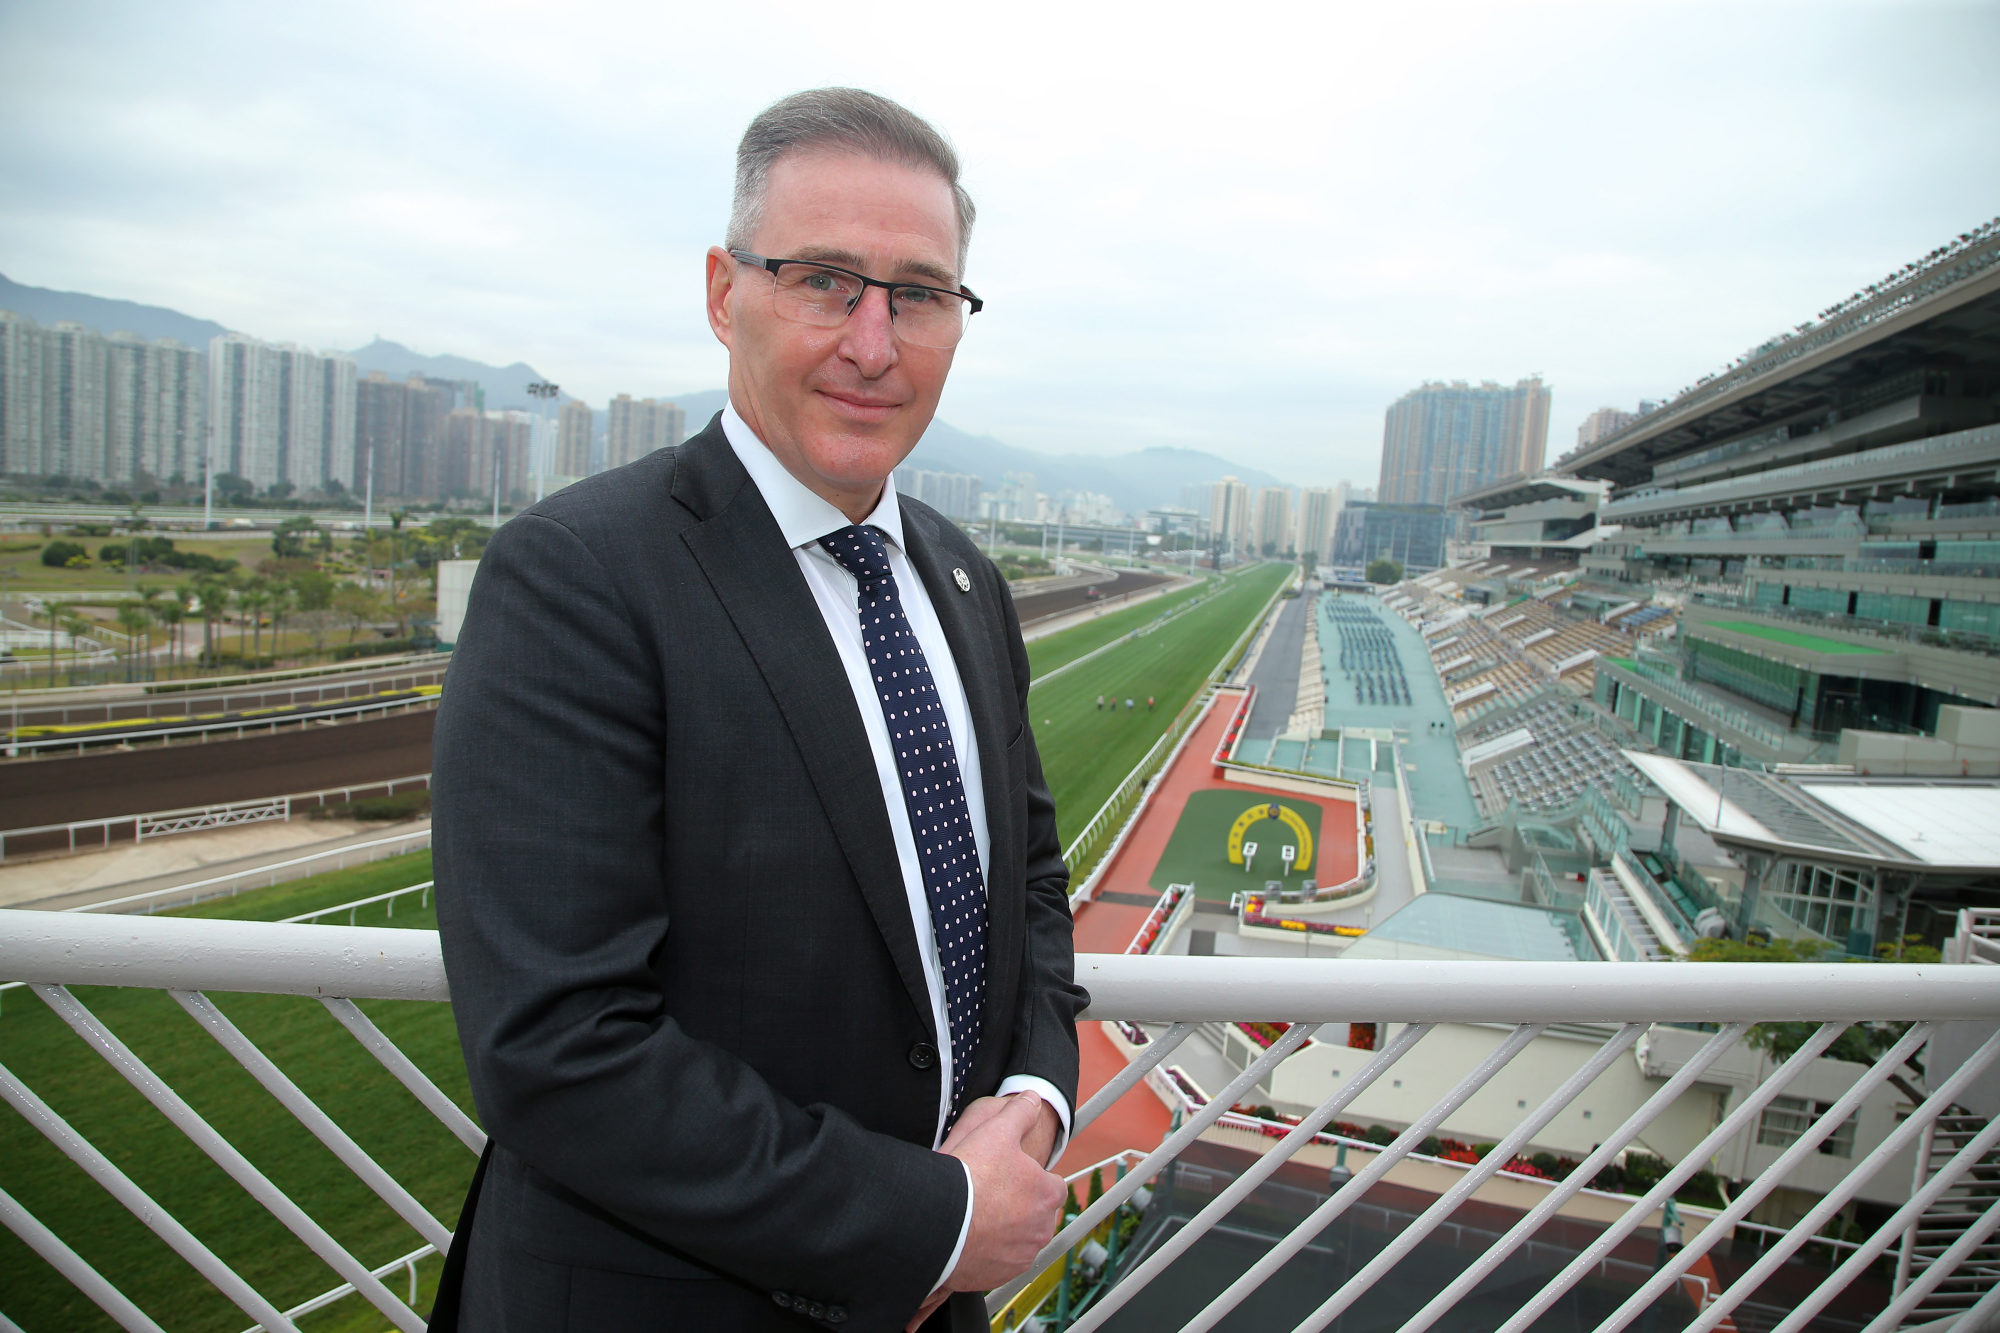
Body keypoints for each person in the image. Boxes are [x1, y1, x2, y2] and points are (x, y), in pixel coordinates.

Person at [430, 88, 1085, 1333]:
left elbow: (1032, 890)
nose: (873, 342)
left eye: (920, 293)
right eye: (826, 280)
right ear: (726, 293)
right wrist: (931, 1218)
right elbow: (558, 1045)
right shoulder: (578, 574)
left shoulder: (959, 579)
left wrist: (1032, 1098)